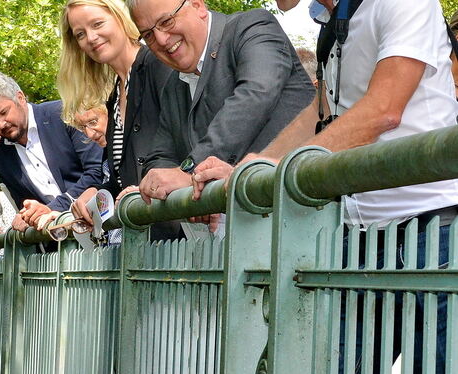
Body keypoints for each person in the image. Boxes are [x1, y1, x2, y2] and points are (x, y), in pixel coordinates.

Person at [192, 0, 458, 371]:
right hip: (358, 241)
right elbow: (323, 112)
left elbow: (383, 110)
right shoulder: (334, 19)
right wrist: (258, 165)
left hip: (432, 235)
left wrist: (279, 168)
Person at [124, 0, 315, 210]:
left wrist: (189, 174)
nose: (161, 39)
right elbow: (161, 155)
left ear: (198, 6)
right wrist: (169, 187)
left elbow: (255, 95)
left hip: (303, 212)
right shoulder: (173, 85)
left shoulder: (252, 26)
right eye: (148, 35)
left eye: (167, 21)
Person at [57, 0, 182, 240]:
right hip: (146, 243)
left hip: (184, 239)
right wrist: (92, 195)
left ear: (121, 19)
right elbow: (120, 180)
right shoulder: (115, 96)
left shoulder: (160, 65)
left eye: (97, 24)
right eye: (80, 34)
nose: (91, 38)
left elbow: (191, 145)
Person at [0, 71, 103, 230]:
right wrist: (26, 215)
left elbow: (97, 171)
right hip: (57, 244)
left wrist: (53, 208)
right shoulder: (0, 158)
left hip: (104, 222)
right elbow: (25, 204)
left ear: (20, 97)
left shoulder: (63, 113)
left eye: (4, 112)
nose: (1, 124)